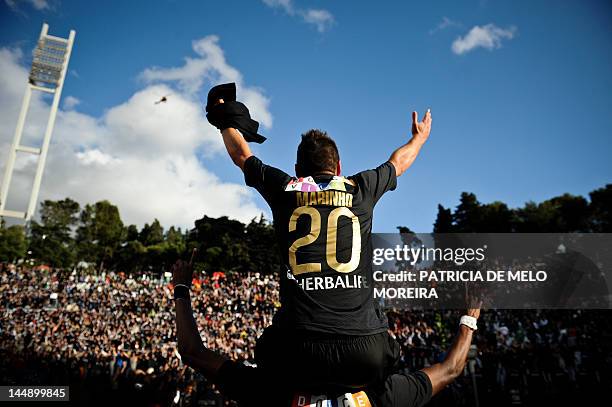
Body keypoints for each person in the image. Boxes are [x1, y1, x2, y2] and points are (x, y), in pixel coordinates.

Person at [207, 93, 433, 392]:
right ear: (338, 167)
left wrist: (225, 121)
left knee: (266, 360)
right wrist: (419, 139)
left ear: (298, 170)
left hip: (297, 351)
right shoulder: (360, 187)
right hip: (365, 351)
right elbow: (398, 163)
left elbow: (242, 157)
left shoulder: (285, 188)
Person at [172, 259, 482, 406]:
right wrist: (469, 318)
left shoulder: (273, 392)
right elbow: (451, 369)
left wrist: (182, 289)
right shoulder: (380, 396)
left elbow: (193, 353)